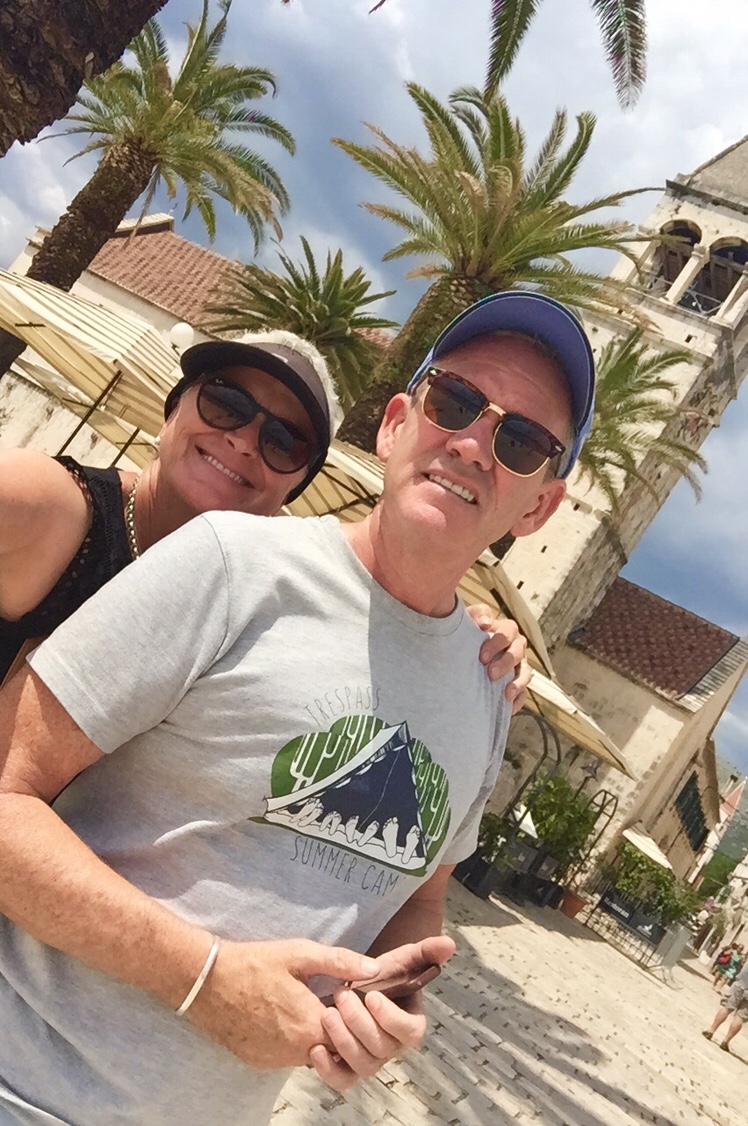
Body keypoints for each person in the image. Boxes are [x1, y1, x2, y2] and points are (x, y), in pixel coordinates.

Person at [0, 291, 594, 1125]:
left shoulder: (491, 692)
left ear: (538, 507)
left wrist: (386, 1000)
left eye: (522, 442)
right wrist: (202, 977)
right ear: (396, 424)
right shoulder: (230, 561)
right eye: (455, 401)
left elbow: (417, 899)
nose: (471, 443)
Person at [0, 329, 529, 696]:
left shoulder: (263, 596)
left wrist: (470, 641)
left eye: (284, 441)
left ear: (295, 485)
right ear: (174, 407)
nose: (244, 441)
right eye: (226, 403)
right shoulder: (56, 509)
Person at [703, 955, 748, 1052]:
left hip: (739, 984)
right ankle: (725, 1041)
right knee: (740, 1018)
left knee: (726, 1008)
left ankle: (711, 1031)